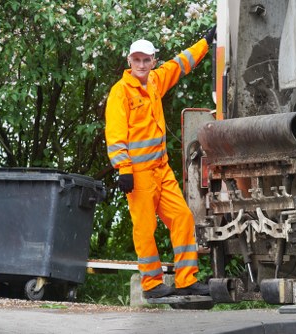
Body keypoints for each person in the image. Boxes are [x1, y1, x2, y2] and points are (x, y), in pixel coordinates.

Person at [105, 27, 216, 299]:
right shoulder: (121, 92)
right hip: (138, 174)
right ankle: (152, 284)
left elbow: (180, 64)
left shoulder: (154, 81)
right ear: (129, 62)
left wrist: (205, 42)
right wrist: (124, 169)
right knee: (145, 229)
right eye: (137, 60)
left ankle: (186, 279)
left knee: (182, 217)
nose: (142, 65)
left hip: (161, 171)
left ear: (153, 61)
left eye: (146, 60)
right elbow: (116, 135)